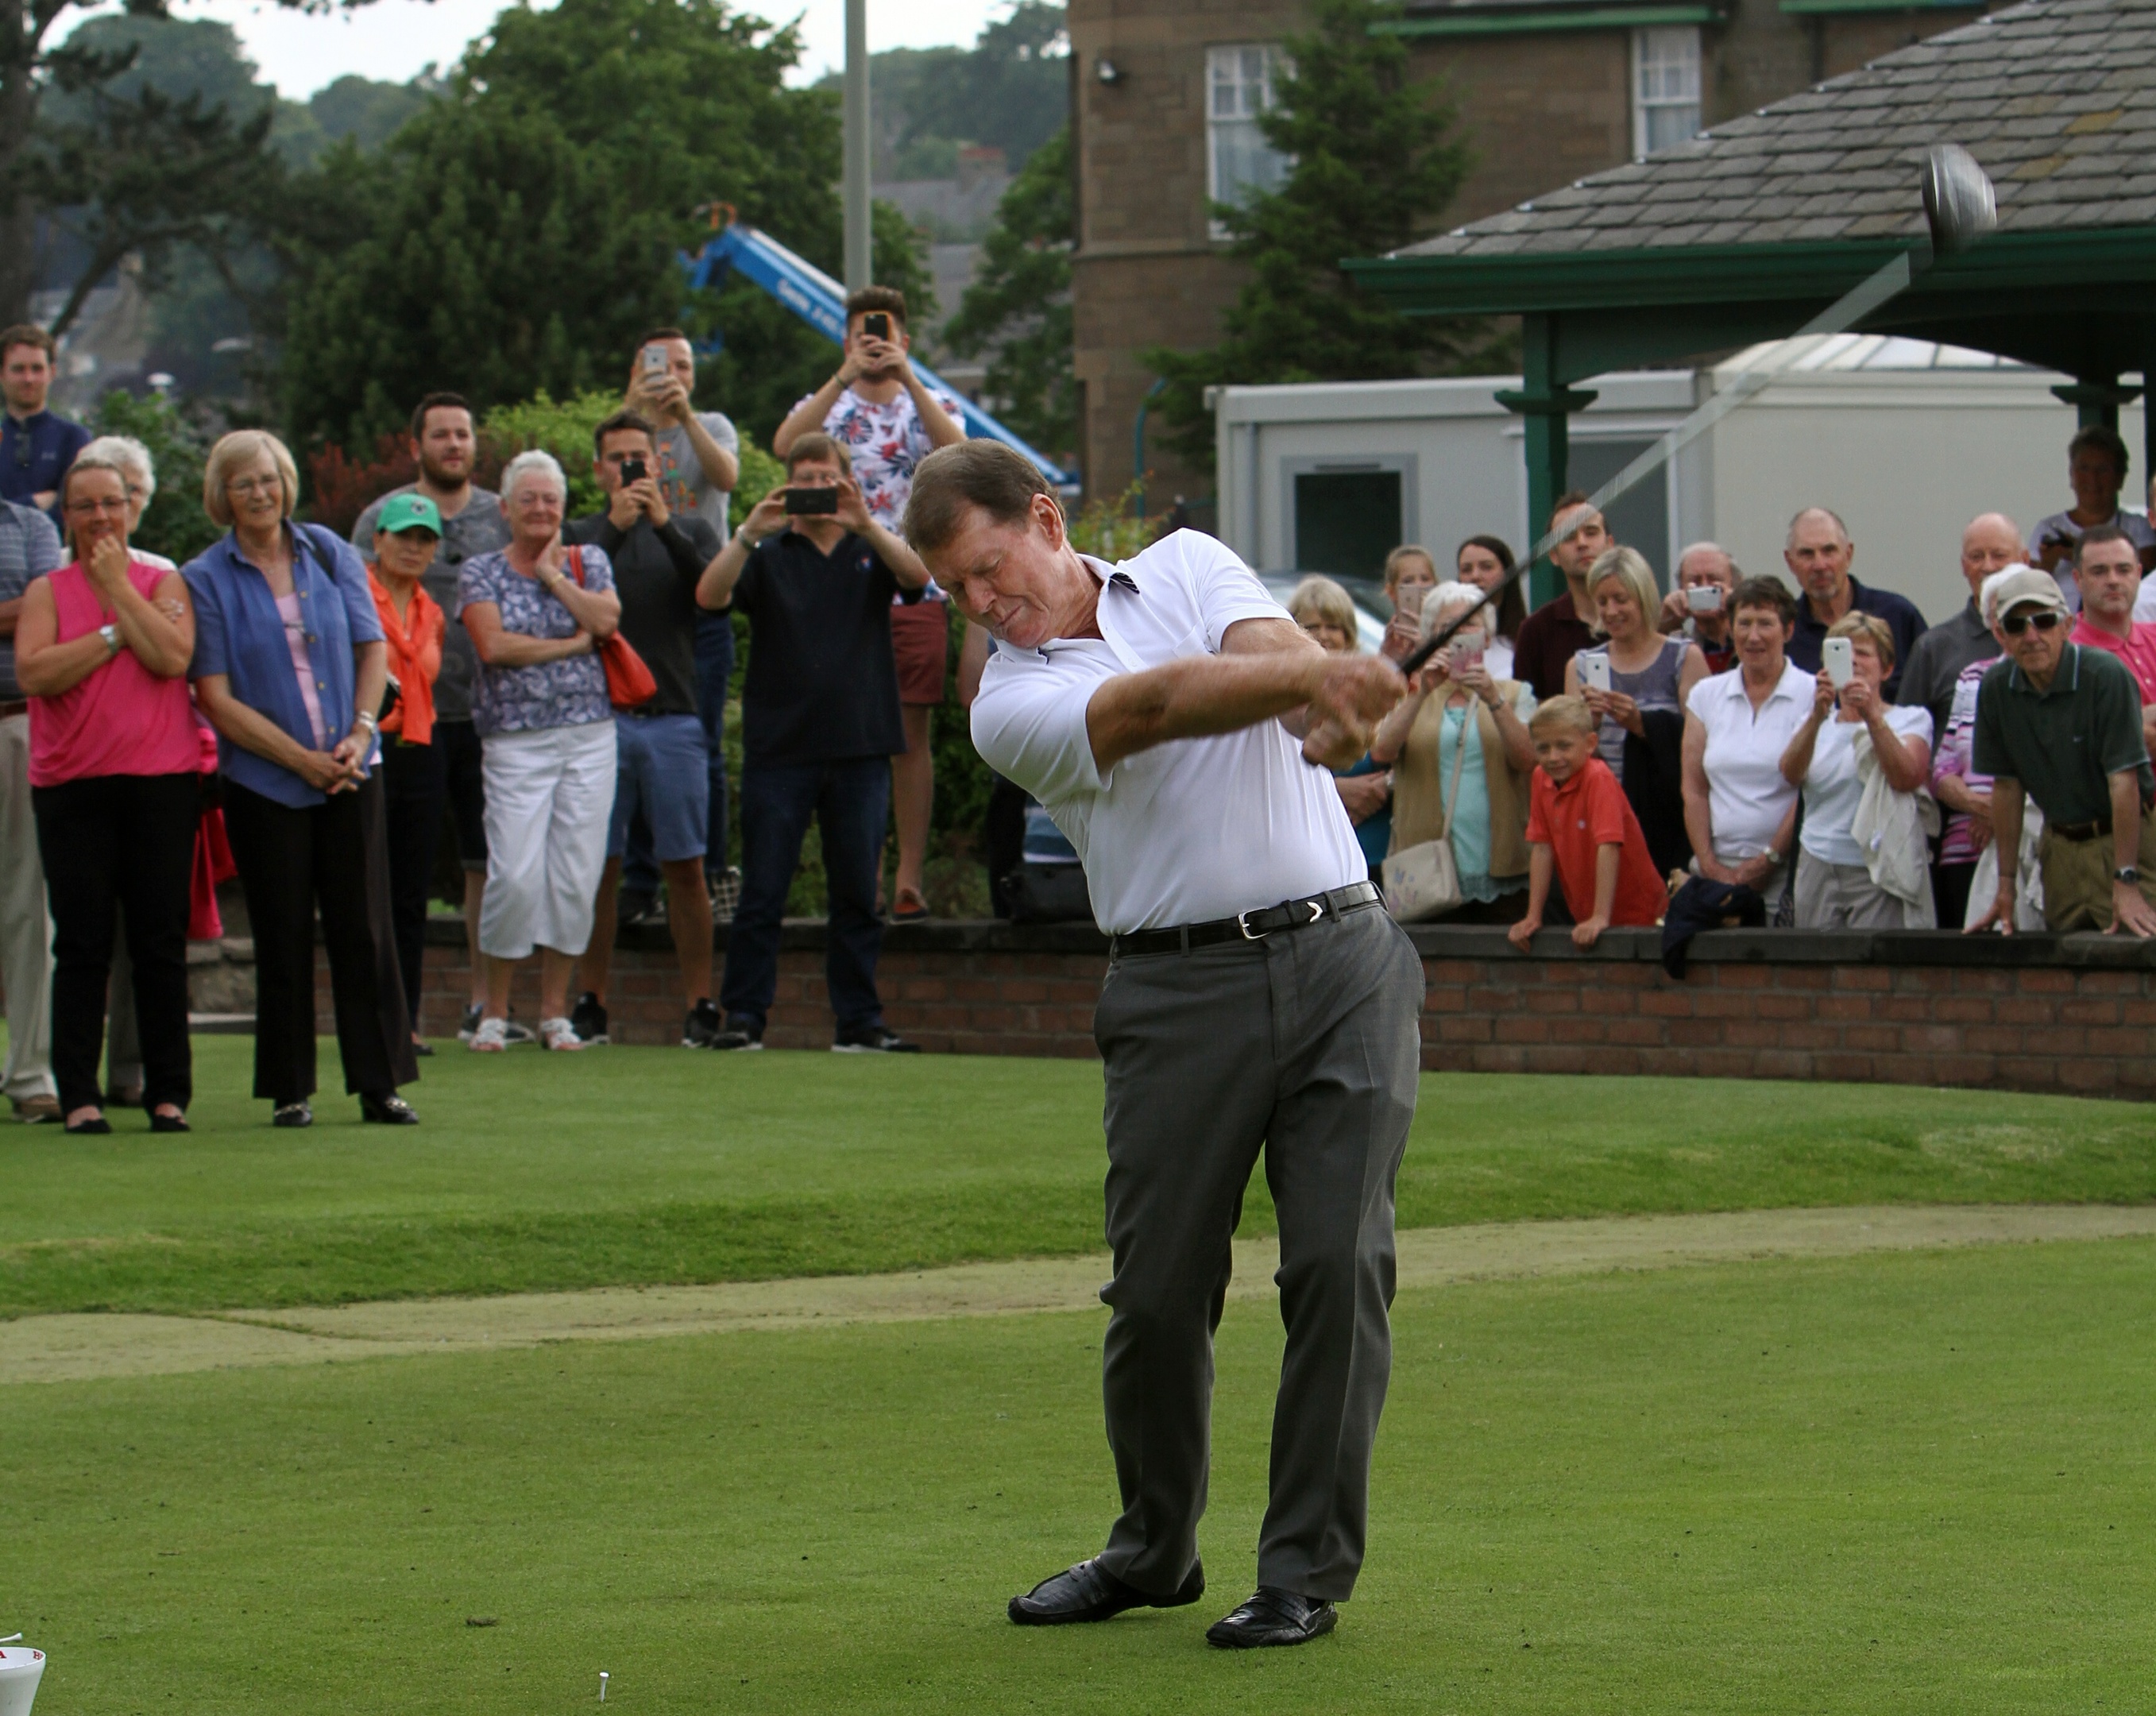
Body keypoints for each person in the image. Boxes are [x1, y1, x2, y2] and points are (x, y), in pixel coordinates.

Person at [908, 439, 1416, 1651]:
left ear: (1042, 518)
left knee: (1337, 1271)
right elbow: (1152, 707)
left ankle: (1303, 1571)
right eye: (954, 593)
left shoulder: (1187, 561)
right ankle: (1152, 1550)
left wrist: (1321, 680)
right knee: (1156, 1293)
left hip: (1345, 957)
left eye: (987, 570)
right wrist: (1323, 681)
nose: (981, 606)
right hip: (1174, 990)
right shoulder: (1004, 701)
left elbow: (1264, 657)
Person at [187, 430, 419, 1127]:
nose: (260, 494)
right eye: (243, 484)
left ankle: (379, 1084)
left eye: (269, 479)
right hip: (267, 782)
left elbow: (372, 646)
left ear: (287, 483)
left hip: (352, 768)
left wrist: (359, 732)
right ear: (222, 496)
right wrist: (298, 759)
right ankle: (291, 1089)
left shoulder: (328, 548)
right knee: (283, 934)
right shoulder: (205, 577)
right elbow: (215, 697)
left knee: (364, 930)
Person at [695, 433, 929, 1053]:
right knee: (762, 893)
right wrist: (748, 531)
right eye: (803, 476)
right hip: (781, 750)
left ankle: (858, 1022)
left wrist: (868, 522)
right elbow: (709, 596)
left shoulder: (869, 550)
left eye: (825, 476)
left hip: (860, 748)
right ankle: (743, 1017)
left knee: (857, 894)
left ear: (846, 481)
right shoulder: (768, 553)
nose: (814, 487)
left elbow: (919, 577)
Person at [14, 449, 198, 1133]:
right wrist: (118, 630)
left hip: (160, 783)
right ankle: (79, 1094)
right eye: (85, 505)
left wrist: (120, 592)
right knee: (83, 943)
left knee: (158, 942)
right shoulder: (45, 592)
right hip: (72, 787)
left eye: (111, 503)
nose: (100, 516)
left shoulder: (166, 581)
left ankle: (168, 1091)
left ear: (131, 506)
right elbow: (37, 673)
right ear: (66, 516)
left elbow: (173, 657)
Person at [775, 286, 966, 925]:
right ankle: (863, 876)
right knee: (850, 737)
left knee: (909, 734)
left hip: (913, 582)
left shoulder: (928, 402)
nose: (874, 343)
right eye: (861, 333)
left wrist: (906, 378)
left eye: (884, 334)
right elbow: (785, 446)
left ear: (905, 340)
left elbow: (955, 456)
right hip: (841, 590)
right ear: (846, 341)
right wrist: (843, 377)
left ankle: (908, 874)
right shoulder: (826, 405)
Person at [352, 393, 516, 1044]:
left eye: (464, 434)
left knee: (486, 860)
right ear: (416, 443)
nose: (454, 445)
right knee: (395, 873)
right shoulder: (375, 518)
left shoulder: (497, 516)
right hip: (398, 729)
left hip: (482, 713)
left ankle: (483, 1002)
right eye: (441, 435)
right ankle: (397, 1014)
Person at [564, 408, 723, 1049]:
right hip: (596, 723)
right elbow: (565, 592)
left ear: (658, 464)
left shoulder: (685, 528)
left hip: (673, 718)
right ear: (600, 468)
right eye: (618, 459)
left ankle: (700, 1004)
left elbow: (712, 595)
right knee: (597, 869)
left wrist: (658, 522)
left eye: (641, 457)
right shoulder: (581, 534)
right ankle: (591, 1001)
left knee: (686, 867)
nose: (631, 468)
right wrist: (614, 526)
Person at [458, 450, 622, 1051]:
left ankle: (555, 1013)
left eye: (550, 498)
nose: (540, 509)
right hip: (514, 739)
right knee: (515, 875)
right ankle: (495, 1011)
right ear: (504, 508)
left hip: (589, 735)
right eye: (527, 499)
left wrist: (554, 578)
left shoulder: (588, 560)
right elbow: (494, 646)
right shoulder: (482, 572)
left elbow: (605, 622)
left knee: (575, 876)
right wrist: (568, 646)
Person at [621, 329, 740, 915]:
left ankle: (712, 873)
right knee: (635, 744)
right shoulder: (628, 433)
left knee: (704, 745)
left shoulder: (712, 425)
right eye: (660, 366)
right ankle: (640, 881)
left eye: (685, 366)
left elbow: (726, 479)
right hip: (640, 606)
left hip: (701, 603)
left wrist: (685, 416)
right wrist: (631, 405)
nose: (673, 376)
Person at [1969, 567, 2156, 936]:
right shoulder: (1995, 688)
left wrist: (2127, 880)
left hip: (2126, 841)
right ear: (2000, 635)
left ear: (2068, 624)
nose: (2032, 636)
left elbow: (2124, 782)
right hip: (2059, 847)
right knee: (2068, 967)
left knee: (2138, 955)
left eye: (2044, 620)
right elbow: (2006, 788)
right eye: (2017, 625)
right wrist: (2005, 886)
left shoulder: (2105, 675)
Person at [1369, 582, 1537, 922]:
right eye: (1447, 627)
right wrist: (1420, 692)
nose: (1459, 633)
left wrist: (1494, 699)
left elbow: (1528, 760)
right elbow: (1381, 752)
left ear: (1487, 637)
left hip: (1500, 863)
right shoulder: (1410, 692)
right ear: (1432, 637)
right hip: (1425, 867)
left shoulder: (1515, 693)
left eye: (1470, 624)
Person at [1779, 613, 1936, 928]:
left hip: (1876, 867)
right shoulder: (1812, 722)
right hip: (1817, 862)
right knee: (1818, 965)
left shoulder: (1910, 719)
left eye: (1863, 653)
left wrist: (1872, 717)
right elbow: (1790, 774)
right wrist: (1816, 717)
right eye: (1842, 652)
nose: (1852, 661)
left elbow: (1906, 777)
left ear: (1887, 668)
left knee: (1874, 968)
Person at [364, 493, 449, 1053]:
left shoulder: (431, 611)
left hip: (420, 747)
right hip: (369, 745)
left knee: (410, 892)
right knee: (368, 888)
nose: (413, 547)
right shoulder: (356, 599)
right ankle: (369, 1016)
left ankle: (406, 1020)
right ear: (378, 540)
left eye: (424, 539)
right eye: (403, 536)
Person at [1563, 545, 1706, 875]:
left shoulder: (1683, 658)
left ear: (1643, 596)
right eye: (1602, 601)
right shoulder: (1580, 666)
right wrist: (1589, 726)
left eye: (1620, 599)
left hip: (1669, 819)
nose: (1611, 611)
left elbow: (1703, 742)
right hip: (1602, 817)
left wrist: (1643, 725)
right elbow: (1568, 757)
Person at [1682, 577, 1814, 914]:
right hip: (1715, 869)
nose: (1753, 636)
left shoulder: (1814, 695)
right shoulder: (1706, 695)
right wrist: (1710, 867)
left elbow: (1809, 790)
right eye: (1744, 623)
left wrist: (1767, 861)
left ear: (1788, 630)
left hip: (1788, 871)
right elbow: (1694, 788)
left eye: (1766, 623)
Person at [1509, 696, 1668, 949]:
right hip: (1586, 913)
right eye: (1543, 748)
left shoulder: (1598, 778)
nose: (1553, 757)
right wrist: (1533, 916)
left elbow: (1609, 845)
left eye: (1564, 746)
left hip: (1639, 913)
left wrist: (1600, 916)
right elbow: (1541, 847)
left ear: (1590, 743)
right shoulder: (1541, 778)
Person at [0, 490, 63, 1120]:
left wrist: (27, 611)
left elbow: (50, 607)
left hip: (17, 724)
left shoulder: (30, 526)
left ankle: (29, 1074)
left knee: (27, 904)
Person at [1289, 574, 1389, 878]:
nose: (1324, 635)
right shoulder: (1282, 699)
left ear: (1349, 634)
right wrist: (1336, 790)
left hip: (1376, 854)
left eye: (1333, 626)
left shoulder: (1373, 688)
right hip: (1311, 858)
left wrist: (1381, 788)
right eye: (1312, 626)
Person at [1898, 513, 2024, 742]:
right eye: (1977, 557)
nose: (1988, 566)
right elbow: (1907, 738)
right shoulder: (1933, 648)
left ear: (2024, 560)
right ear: (1964, 566)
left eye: (1999, 555)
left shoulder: (2048, 638)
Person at [1783, 507, 1926, 700]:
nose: (1819, 565)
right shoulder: (1784, 631)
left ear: (1848, 554)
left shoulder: (1897, 616)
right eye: (1807, 554)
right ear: (1790, 562)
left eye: (1829, 551)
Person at [2027, 425, 2156, 602]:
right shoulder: (2048, 528)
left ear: (2120, 478)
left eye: (2102, 470)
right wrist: (2047, 564)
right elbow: (2029, 591)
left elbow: (2148, 573)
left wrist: (2079, 553)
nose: (2092, 479)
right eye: (2084, 468)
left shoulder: (2138, 527)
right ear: (2071, 475)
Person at [1512, 493, 1611, 699]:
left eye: (1591, 533)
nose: (1582, 543)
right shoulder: (1535, 630)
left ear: (1609, 544)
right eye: (1568, 537)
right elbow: (1527, 715)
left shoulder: (1639, 616)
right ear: (1554, 555)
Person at [0, 326, 90, 518]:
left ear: (52, 372)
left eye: (37, 369)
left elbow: (76, 510)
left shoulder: (73, 438)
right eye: (18, 369)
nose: (28, 378)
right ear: (2, 373)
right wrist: (33, 503)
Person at [2068, 524, 2156, 706]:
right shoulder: (2069, 658)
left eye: (2123, 570)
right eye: (2099, 572)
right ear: (2078, 579)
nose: (2113, 581)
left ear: (2139, 574)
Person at [1656, 542, 1739, 674]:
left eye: (1714, 579)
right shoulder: (1679, 646)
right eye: (1694, 581)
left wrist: (1739, 609)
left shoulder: (1749, 639)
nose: (1704, 587)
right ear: (1681, 588)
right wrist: (1664, 623)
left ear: (1733, 584)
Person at [1455, 535, 1524, 679]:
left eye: (1486, 567)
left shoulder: (1526, 637)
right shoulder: (1449, 638)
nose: (1475, 576)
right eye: (1466, 570)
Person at [1377, 544, 1440, 663]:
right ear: (1391, 592)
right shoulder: (1392, 637)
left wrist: (1427, 647)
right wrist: (1387, 658)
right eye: (1408, 581)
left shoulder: (1447, 628)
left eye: (1425, 579)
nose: (1419, 586)